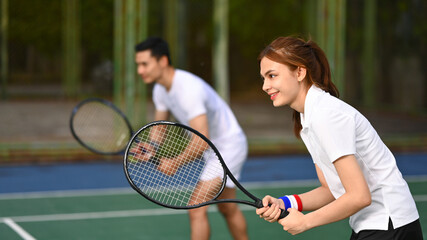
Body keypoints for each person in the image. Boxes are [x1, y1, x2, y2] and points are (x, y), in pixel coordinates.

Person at [256, 36, 423, 239]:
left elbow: (359, 196)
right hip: (375, 225)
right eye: (263, 78)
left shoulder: (326, 115)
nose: (265, 86)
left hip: (390, 224)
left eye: (272, 76)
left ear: (300, 72)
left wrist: (305, 222)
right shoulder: (307, 117)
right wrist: (286, 202)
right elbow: (331, 189)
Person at [134, 36, 249, 240]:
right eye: (138, 65)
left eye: (144, 64)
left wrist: (175, 162)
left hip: (229, 146)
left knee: (195, 208)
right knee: (228, 209)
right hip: (213, 149)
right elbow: (159, 129)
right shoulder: (160, 90)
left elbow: (203, 139)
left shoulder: (188, 89)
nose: (140, 71)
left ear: (162, 61)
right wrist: (150, 146)